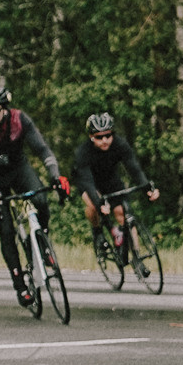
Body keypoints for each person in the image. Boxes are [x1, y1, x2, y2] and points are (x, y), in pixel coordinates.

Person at [0, 84, 67, 298]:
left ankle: (42, 242)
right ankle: (20, 284)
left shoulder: (19, 120)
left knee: (40, 200)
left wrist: (55, 175)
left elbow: (42, 149)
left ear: (5, 109)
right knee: (7, 230)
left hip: (18, 170)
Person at [71, 111, 160, 260]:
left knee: (122, 212)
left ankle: (135, 254)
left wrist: (148, 189)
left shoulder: (119, 144)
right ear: (91, 137)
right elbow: (87, 182)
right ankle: (98, 232)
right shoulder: (83, 152)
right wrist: (100, 204)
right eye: (99, 137)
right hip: (88, 182)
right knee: (94, 206)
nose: (105, 140)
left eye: (108, 135)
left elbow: (134, 168)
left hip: (110, 180)